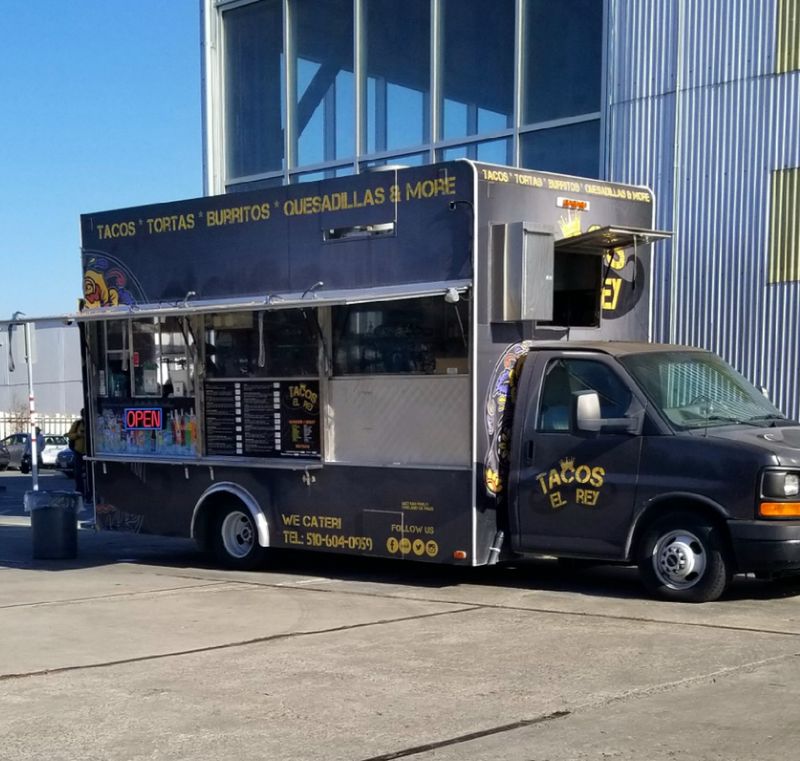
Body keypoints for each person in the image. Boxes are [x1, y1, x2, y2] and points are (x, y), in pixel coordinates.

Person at [67, 410, 86, 496]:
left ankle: (90, 490)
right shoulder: (77, 424)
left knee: (90, 473)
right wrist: (78, 434)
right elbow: (70, 435)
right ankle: (80, 490)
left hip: (89, 452)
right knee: (78, 473)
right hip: (79, 451)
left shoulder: (92, 423)